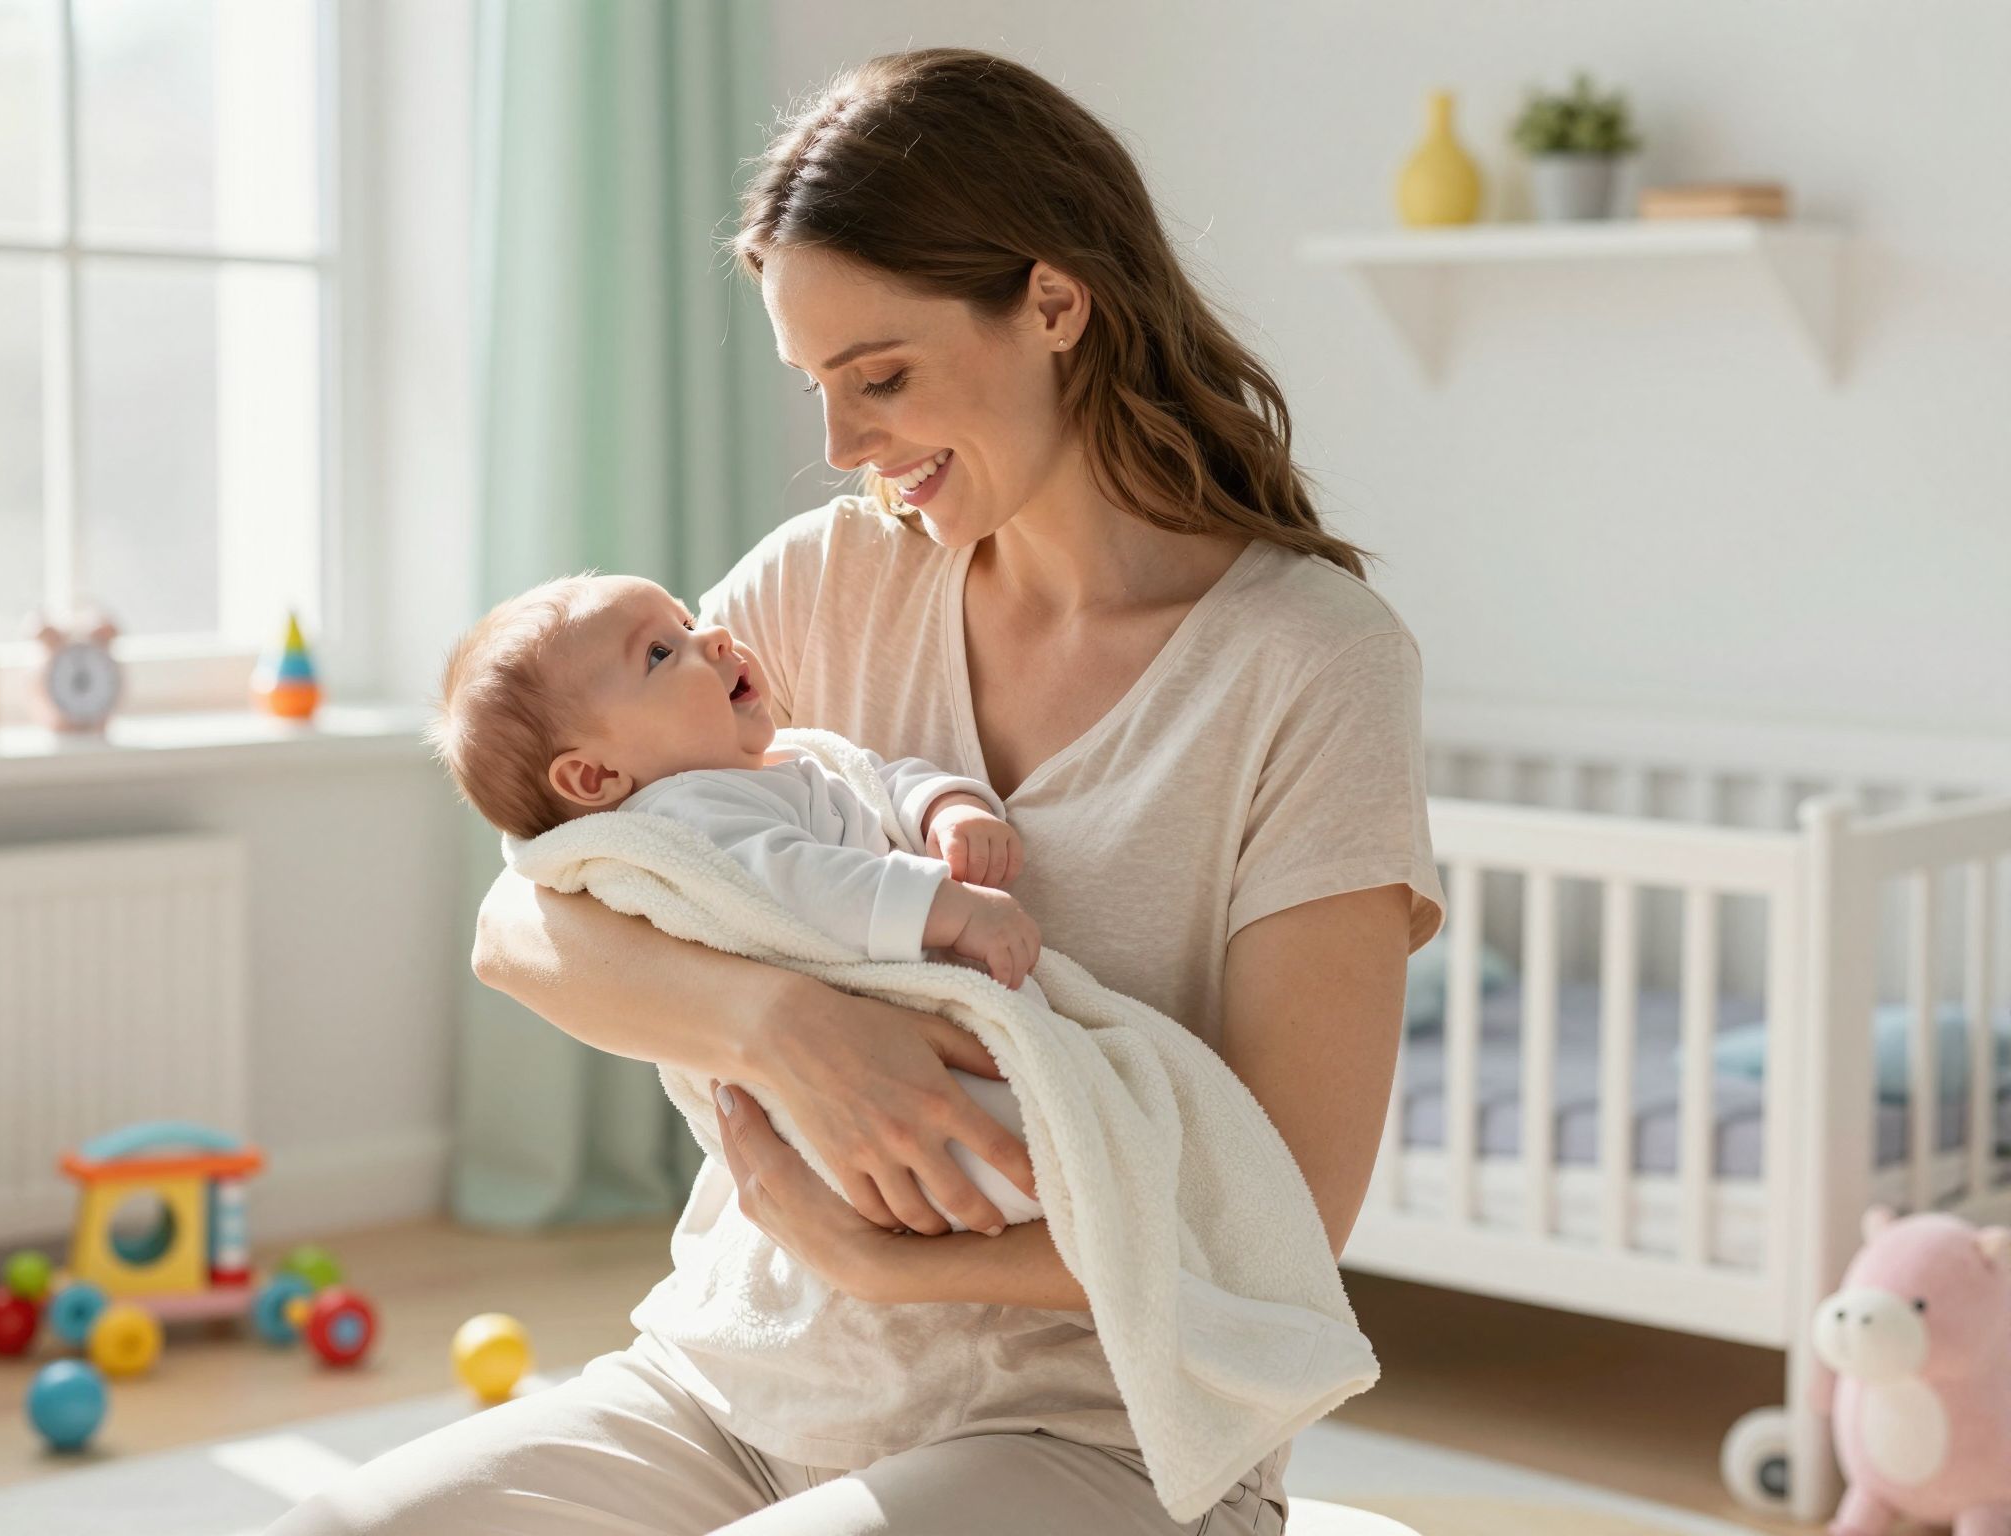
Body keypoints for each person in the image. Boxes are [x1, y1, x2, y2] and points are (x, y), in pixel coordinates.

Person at [272, 45, 1443, 1536]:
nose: (840, 447)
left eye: (879, 376)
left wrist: (902, 1263)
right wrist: (792, 1031)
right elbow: (530, 918)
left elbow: (1288, 1214)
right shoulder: (824, 584)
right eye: (817, 388)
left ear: (1055, 302)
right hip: (727, 1386)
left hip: (1088, 1438)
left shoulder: (1308, 665)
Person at [425, 570, 1046, 1232]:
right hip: (889, 1065)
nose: (715, 637)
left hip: (933, 1038)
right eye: (661, 653)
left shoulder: (766, 765)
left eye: (688, 622)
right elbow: (801, 888)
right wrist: (953, 909)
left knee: (1069, 1118)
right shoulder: (685, 819)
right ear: (596, 775)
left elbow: (870, 781)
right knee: (1029, 1153)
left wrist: (944, 808)